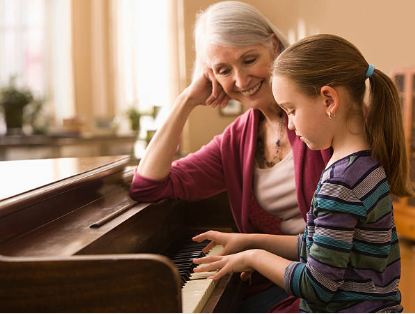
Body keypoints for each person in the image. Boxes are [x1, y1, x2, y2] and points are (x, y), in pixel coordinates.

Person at [129, 1, 330, 312]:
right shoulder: (236, 139)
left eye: (249, 60)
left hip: (331, 283)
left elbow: (345, 241)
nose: (240, 80)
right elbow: (148, 185)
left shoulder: (322, 111)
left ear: (273, 46)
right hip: (277, 282)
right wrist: (186, 100)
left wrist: (250, 248)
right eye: (224, 70)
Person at [192, 33, 413, 313]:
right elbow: (320, 244)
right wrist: (249, 240)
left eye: (292, 111)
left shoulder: (341, 182)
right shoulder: (362, 165)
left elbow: (317, 285)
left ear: (328, 100)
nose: (292, 126)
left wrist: (255, 257)